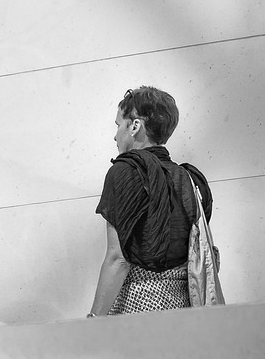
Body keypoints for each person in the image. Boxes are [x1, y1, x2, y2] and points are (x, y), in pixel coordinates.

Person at [88, 85, 214, 316]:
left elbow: (118, 259)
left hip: (137, 306)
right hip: (186, 307)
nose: (115, 135)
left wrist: (93, 320)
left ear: (135, 126)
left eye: (118, 125)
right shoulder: (189, 179)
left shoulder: (126, 171)